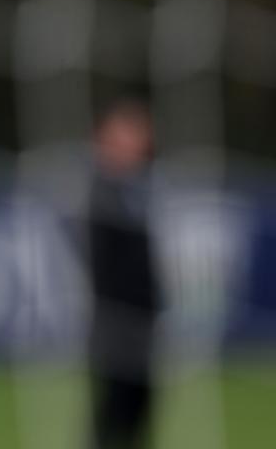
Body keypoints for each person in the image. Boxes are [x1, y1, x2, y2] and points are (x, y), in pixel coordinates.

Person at [85, 96, 162, 449]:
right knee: (112, 413)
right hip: (115, 325)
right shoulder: (101, 192)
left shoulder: (141, 193)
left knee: (141, 412)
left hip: (144, 325)